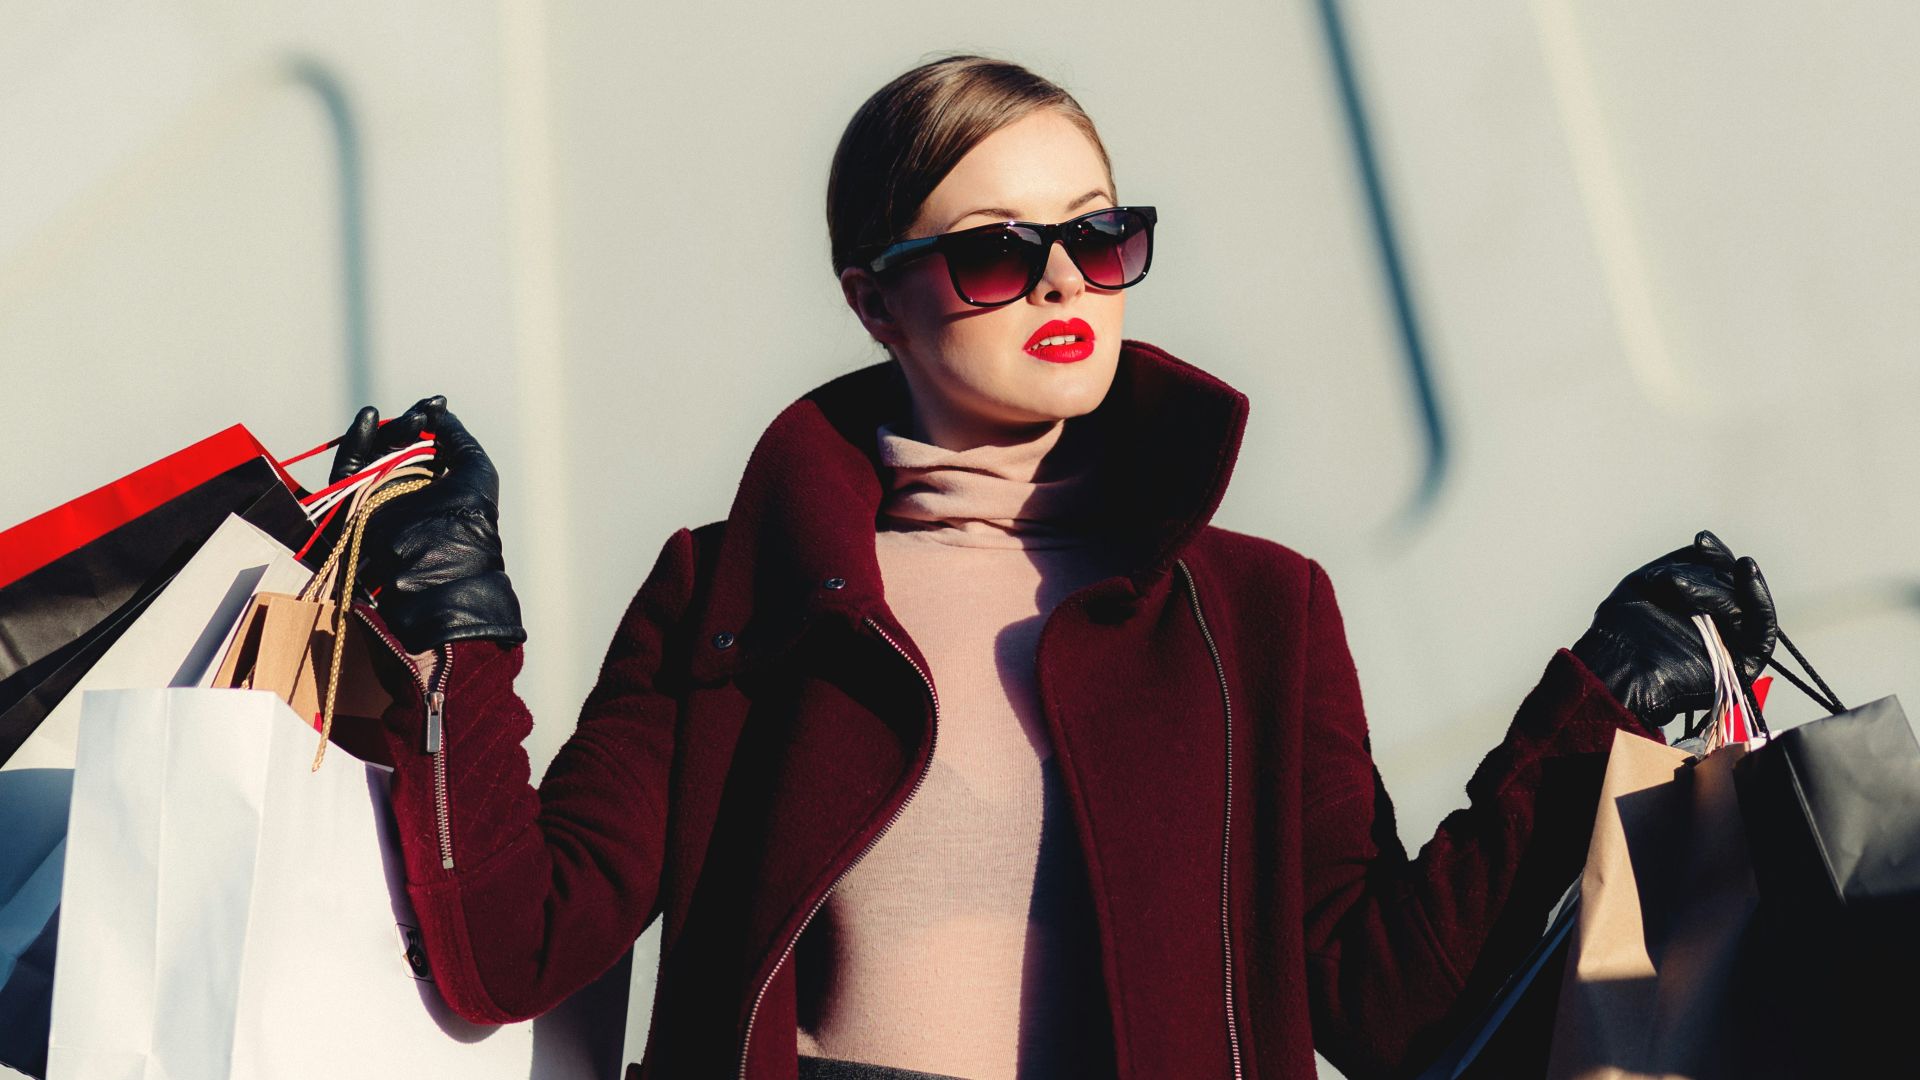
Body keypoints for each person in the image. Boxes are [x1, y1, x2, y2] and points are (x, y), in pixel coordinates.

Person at [328, 55, 1778, 1080]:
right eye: (996, 254)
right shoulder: (737, 591)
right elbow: (514, 946)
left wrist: (1596, 701)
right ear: (873, 296)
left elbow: (1380, 1004)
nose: (1069, 281)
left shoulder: (1258, 613)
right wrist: (459, 626)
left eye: (1099, 233)